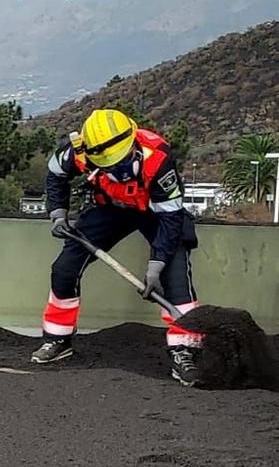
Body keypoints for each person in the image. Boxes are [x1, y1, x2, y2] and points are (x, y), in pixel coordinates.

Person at [31, 107, 202, 385]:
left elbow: (171, 221)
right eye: (108, 166)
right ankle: (58, 339)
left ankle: (185, 350)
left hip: (155, 212)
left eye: (120, 162)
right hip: (109, 209)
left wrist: (156, 265)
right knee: (64, 269)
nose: (117, 170)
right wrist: (58, 213)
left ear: (133, 142)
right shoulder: (79, 152)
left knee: (175, 277)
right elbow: (55, 176)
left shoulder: (158, 159)